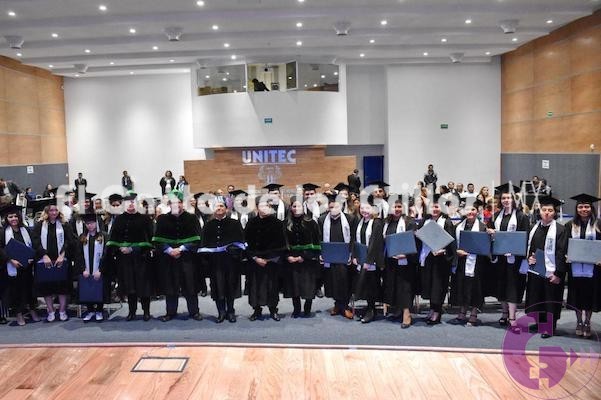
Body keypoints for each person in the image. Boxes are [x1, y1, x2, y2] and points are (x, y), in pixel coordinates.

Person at [153, 190, 203, 322]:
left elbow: (198, 238)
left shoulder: (192, 218)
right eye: (173, 203)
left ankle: (194, 311)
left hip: (187, 258)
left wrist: (181, 249)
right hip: (169, 258)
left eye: (179, 202)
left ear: (182, 203)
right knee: (170, 285)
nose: (177, 205)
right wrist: (169, 250)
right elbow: (157, 239)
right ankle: (170, 312)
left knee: (190, 285)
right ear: (169, 204)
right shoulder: (162, 219)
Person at [487, 183, 529, 333]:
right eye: (503, 198)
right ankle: (504, 313)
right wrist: (490, 232)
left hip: (514, 259)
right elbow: (490, 233)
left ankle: (512, 317)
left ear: (514, 199)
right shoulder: (496, 216)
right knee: (502, 286)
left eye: (508, 198)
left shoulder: (521, 216)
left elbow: (525, 238)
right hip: (500, 259)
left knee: (512, 287)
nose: (506, 200)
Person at [523, 196, 568, 339]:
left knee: (550, 298)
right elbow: (530, 247)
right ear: (540, 211)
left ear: (554, 212)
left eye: (550, 210)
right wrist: (529, 258)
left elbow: (561, 253)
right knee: (537, 296)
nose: (547, 212)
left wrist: (558, 274)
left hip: (552, 271)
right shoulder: (534, 227)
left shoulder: (560, 230)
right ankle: (539, 323)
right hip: (536, 269)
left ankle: (549, 326)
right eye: (544, 210)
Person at [106, 192, 155, 321]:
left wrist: (133, 249)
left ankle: (146, 311)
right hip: (124, 260)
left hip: (141, 258)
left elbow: (151, 240)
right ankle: (132, 311)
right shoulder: (119, 220)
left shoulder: (145, 219)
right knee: (129, 286)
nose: (131, 204)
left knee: (143, 286)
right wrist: (119, 248)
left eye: (133, 202)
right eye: (128, 202)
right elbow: (113, 239)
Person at [32, 199, 77, 322]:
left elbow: (70, 241)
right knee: (47, 287)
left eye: (56, 210)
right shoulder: (39, 225)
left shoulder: (65, 224)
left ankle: (62, 311)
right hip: (45, 261)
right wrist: (44, 255)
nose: (54, 212)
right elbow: (35, 242)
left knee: (62, 286)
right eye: (51, 210)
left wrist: (62, 255)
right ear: (46, 211)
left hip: (61, 260)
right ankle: (51, 311)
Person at [201, 199, 245, 323]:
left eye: (221, 206)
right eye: (216, 206)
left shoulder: (234, 223)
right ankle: (221, 312)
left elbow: (241, 241)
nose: (219, 208)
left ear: (226, 208)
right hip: (215, 262)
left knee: (230, 285)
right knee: (217, 286)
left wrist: (234, 252)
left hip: (231, 261)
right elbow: (203, 244)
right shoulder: (208, 225)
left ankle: (230, 311)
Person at [245, 197, 287, 321]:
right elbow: (245, 243)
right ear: (257, 207)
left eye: (267, 206)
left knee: (272, 286)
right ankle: (257, 310)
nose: (264, 208)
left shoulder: (277, 223)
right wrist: (255, 258)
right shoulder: (251, 223)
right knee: (255, 287)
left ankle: (273, 310)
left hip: (271, 262)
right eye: (262, 206)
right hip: (255, 261)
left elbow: (282, 244)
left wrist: (268, 260)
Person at [565, 193, 601, 338]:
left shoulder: (598, 225)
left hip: (594, 268)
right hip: (575, 267)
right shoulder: (570, 225)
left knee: (589, 295)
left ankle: (587, 322)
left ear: (591, 208)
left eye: (586, 206)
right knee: (577, 295)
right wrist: (566, 255)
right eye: (580, 207)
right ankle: (579, 321)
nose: (583, 209)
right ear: (576, 209)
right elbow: (564, 244)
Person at [419, 194, 456, 325]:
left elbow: (452, 243)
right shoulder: (424, 221)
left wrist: (444, 251)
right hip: (427, 257)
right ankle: (431, 309)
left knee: (438, 286)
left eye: (437, 207)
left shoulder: (447, 222)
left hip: (441, 260)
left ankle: (437, 312)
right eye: (432, 207)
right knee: (429, 285)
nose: (434, 209)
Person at [0, 204, 40, 325]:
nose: (13, 219)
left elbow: (33, 245)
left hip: (27, 266)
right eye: (10, 217)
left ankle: (32, 310)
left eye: (15, 216)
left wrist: (32, 258)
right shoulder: (2, 232)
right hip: (13, 266)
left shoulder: (26, 230)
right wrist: (10, 260)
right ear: (6, 218)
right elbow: (1, 249)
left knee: (29, 289)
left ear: (19, 217)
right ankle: (19, 314)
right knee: (16, 290)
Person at [451, 201, 489, 327]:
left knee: (475, 288)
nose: (470, 212)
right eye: (468, 210)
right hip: (461, 261)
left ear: (477, 211)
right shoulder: (458, 227)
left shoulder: (483, 227)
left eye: (473, 209)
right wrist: (457, 251)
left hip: (477, 263)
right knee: (462, 286)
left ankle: (473, 313)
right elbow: (453, 245)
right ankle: (462, 311)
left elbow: (487, 247)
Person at [382, 196, 418, 328]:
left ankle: (406, 314)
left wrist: (405, 254)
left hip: (405, 261)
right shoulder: (387, 222)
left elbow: (415, 243)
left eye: (399, 207)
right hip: (391, 260)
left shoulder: (410, 222)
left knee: (405, 287)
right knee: (393, 285)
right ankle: (398, 310)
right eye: (394, 207)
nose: (397, 209)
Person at [283, 197, 321, 318]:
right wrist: (288, 256)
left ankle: (307, 308)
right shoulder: (286, 223)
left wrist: (304, 256)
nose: (296, 208)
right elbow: (282, 243)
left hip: (307, 260)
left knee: (308, 286)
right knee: (294, 286)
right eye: (294, 206)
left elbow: (317, 243)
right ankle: (297, 308)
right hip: (291, 259)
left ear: (303, 207)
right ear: (291, 208)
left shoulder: (311, 223)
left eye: (299, 206)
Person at [320, 194, 355, 319]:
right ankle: (337, 304)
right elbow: (319, 238)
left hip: (345, 256)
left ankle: (344, 306)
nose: (333, 209)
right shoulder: (322, 220)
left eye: (336, 207)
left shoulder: (350, 219)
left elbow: (354, 238)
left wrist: (351, 254)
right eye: (331, 207)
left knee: (344, 280)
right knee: (332, 281)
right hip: (330, 256)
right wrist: (321, 254)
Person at [351, 196, 385, 323]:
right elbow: (354, 240)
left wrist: (368, 261)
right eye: (362, 208)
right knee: (365, 285)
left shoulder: (377, 223)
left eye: (367, 208)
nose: (364, 210)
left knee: (371, 285)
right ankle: (368, 307)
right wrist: (355, 256)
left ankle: (372, 310)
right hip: (361, 259)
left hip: (372, 260)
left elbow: (375, 244)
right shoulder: (359, 222)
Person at [76, 213, 109, 322]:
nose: (90, 225)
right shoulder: (82, 237)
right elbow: (79, 255)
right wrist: (83, 269)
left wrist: (100, 270)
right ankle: (90, 311)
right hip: (86, 269)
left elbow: (106, 254)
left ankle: (99, 310)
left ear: (96, 223)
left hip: (100, 269)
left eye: (92, 223)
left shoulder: (104, 236)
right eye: (88, 223)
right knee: (88, 289)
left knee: (99, 289)